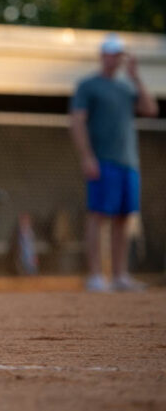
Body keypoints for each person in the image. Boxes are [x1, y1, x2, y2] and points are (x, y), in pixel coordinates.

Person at [69, 33, 159, 292]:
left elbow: (150, 110)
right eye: (110, 54)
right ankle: (96, 275)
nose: (114, 59)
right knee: (98, 216)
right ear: (102, 56)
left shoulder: (126, 87)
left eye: (118, 54)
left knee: (123, 218)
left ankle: (120, 275)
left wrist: (136, 77)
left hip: (128, 162)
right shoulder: (88, 85)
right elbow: (77, 121)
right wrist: (87, 156)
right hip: (102, 160)